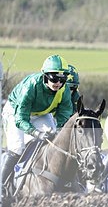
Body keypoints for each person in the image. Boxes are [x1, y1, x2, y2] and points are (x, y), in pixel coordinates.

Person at [1, 54, 74, 186]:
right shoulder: (30, 86)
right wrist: (36, 133)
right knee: (17, 148)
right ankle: (2, 187)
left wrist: (59, 129)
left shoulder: (64, 90)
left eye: (62, 79)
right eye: (54, 78)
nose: (58, 83)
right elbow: (20, 118)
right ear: (45, 75)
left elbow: (64, 114)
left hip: (41, 113)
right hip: (16, 112)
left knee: (53, 141)